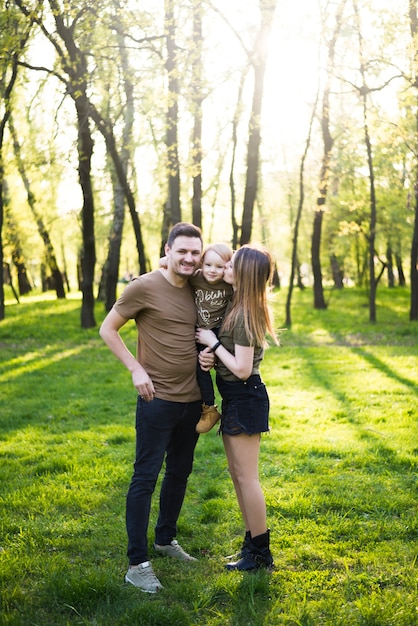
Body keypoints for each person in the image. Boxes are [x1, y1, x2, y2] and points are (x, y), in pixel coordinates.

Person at [99, 222, 214, 593]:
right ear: (167, 250)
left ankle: (165, 539)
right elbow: (108, 329)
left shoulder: (199, 288)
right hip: (156, 400)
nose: (189, 258)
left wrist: (210, 355)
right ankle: (137, 563)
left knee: (179, 473)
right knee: (145, 478)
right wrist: (135, 368)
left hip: (192, 401)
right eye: (182, 251)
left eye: (195, 252)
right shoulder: (144, 286)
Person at [195, 244, 279, 571]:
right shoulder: (236, 304)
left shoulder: (244, 314)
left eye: (233, 265)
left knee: (247, 478)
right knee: (237, 474)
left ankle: (261, 553)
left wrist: (212, 344)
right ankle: (251, 546)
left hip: (245, 395)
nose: (226, 267)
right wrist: (211, 354)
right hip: (235, 395)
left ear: (243, 275)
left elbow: (243, 368)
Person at [190, 243, 234, 433]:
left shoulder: (229, 283)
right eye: (208, 265)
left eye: (219, 266)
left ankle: (210, 407)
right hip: (199, 330)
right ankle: (208, 406)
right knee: (198, 367)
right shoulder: (196, 278)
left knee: (207, 367)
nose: (212, 270)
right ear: (202, 264)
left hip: (219, 331)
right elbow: (170, 271)